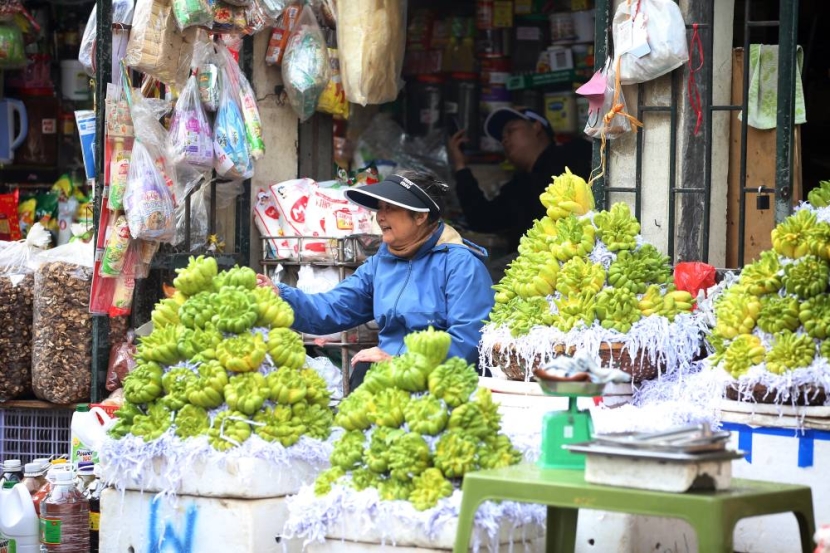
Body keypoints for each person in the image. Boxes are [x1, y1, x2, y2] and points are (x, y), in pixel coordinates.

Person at [257, 170, 494, 391]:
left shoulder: (460, 265)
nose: (380, 216)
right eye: (380, 208)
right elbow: (333, 308)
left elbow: (468, 339)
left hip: (443, 382)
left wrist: (402, 361)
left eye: (390, 208)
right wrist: (281, 296)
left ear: (420, 216)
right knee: (364, 371)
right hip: (388, 375)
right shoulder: (381, 263)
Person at [448, 107, 593, 254]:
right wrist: (460, 166)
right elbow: (481, 218)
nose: (504, 140)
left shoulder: (574, 155)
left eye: (511, 131)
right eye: (502, 138)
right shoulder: (519, 187)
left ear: (536, 127)